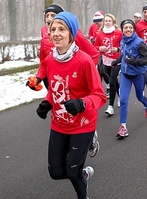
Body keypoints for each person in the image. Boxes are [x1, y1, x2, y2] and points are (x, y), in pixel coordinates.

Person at [34, 12, 107, 199]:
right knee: (56, 172)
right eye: (53, 30)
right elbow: (56, 89)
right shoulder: (50, 60)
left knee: (72, 171)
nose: (56, 33)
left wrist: (82, 103)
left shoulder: (83, 61)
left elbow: (100, 95)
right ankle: (83, 175)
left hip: (82, 125)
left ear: (72, 34)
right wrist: (46, 103)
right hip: (58, 124)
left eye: (62, 29)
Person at [29, 4, 101, 158]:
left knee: (77, 110)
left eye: (53, 16)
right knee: (60, 107)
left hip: (76, 78)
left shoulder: (76, 35)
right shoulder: (45, 36)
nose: (49, 19)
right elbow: (44, 63)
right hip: (54, 78)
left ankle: (88, 135)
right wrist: (38, 78)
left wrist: (85, 72)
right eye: (47, 16)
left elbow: (94, 55)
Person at [111, 19, 147, 138]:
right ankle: (123, 127)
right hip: (125, 74)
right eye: (125, 28)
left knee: (140, 96)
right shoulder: (123, 41)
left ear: (133, 29)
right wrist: (117, 61)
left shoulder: (139, 43)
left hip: (138, 75)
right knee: (123, 100)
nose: (128, 30)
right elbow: (124, 55)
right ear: (122, 30)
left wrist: (134, 62)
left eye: (130, 27)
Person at [94, 13, 122, 116]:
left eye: (110, 21)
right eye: (106, 21)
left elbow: (124, 44)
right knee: (113, 81)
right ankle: (120, 96)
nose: (108, 23)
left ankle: (110, 107)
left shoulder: (119, 33)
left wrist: (118, 49)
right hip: (106, 60)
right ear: (103, 22)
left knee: (111, 81)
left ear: (113, 22)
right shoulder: (100, 34)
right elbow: (95, 46)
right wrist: (100, 48)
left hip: (116, 60)